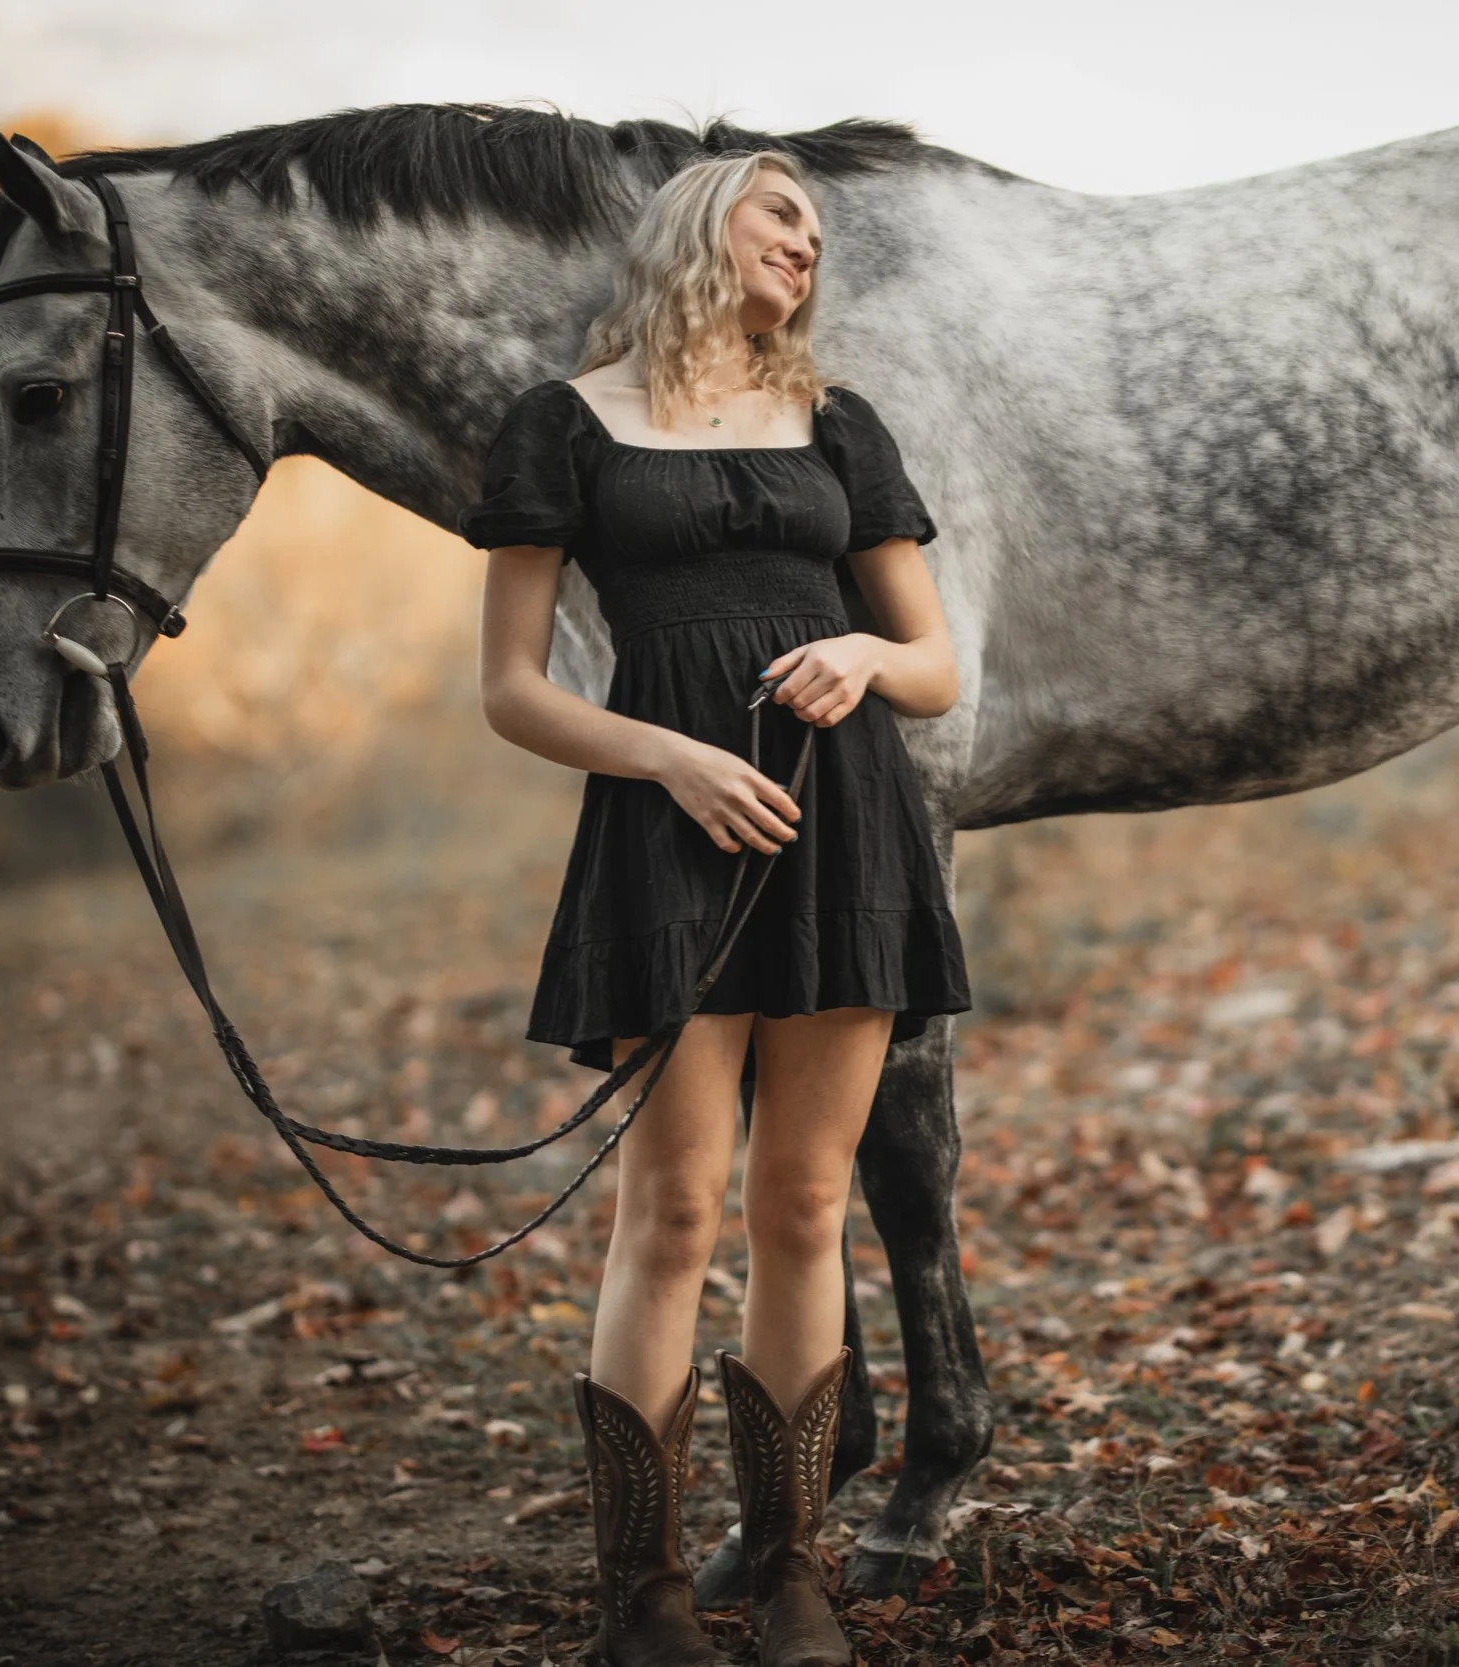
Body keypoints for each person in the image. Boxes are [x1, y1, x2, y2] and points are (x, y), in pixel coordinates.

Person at [461, 148, 970, 1667]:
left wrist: (869, 661)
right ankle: (647, 1593)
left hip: (843, 826)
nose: (809, 244)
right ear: (702, 227)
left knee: (806, 1202)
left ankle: (795, 1567)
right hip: (664, 833)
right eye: (782, 216)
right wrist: (669, 755)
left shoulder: (839, 425)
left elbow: (938, 662)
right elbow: (507, 689)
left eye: (820, 230)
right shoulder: (567, 425)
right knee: (671, 1209)